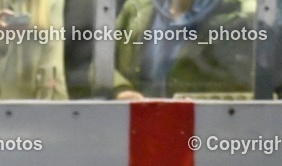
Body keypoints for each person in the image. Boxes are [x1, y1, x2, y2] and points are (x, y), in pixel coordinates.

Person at [110, 0, 256, 99]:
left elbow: (242, 87)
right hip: (140, 127)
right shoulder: (138, 8)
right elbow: (101, 61)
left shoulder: (240, 17)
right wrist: (121, 89)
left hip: (202, 132)